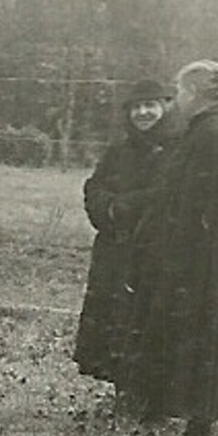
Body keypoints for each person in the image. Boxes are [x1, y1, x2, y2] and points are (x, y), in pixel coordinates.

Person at [119, 59, 218, 436]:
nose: (175, 102)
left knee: (199, 339)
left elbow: (190, 202)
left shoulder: (211, 135)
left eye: (178, 93)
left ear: (193, 93)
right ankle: (175, 415)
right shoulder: (214, 131)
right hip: (201, 256)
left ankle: (198, 430)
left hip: (197, 260)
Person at [72, 77, 180, 384]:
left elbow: (165, 196)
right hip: (114, 247)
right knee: (112, 319)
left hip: (151, 250)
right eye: (137, 107)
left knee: (145, 320)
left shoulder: (175, 148)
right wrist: (107, 208)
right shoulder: (120, 149)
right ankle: (118, 388)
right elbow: (94, 187)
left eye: (150, 106)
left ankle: (144, 396)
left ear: (165, 107)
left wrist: (124, 206)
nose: (143, 113)